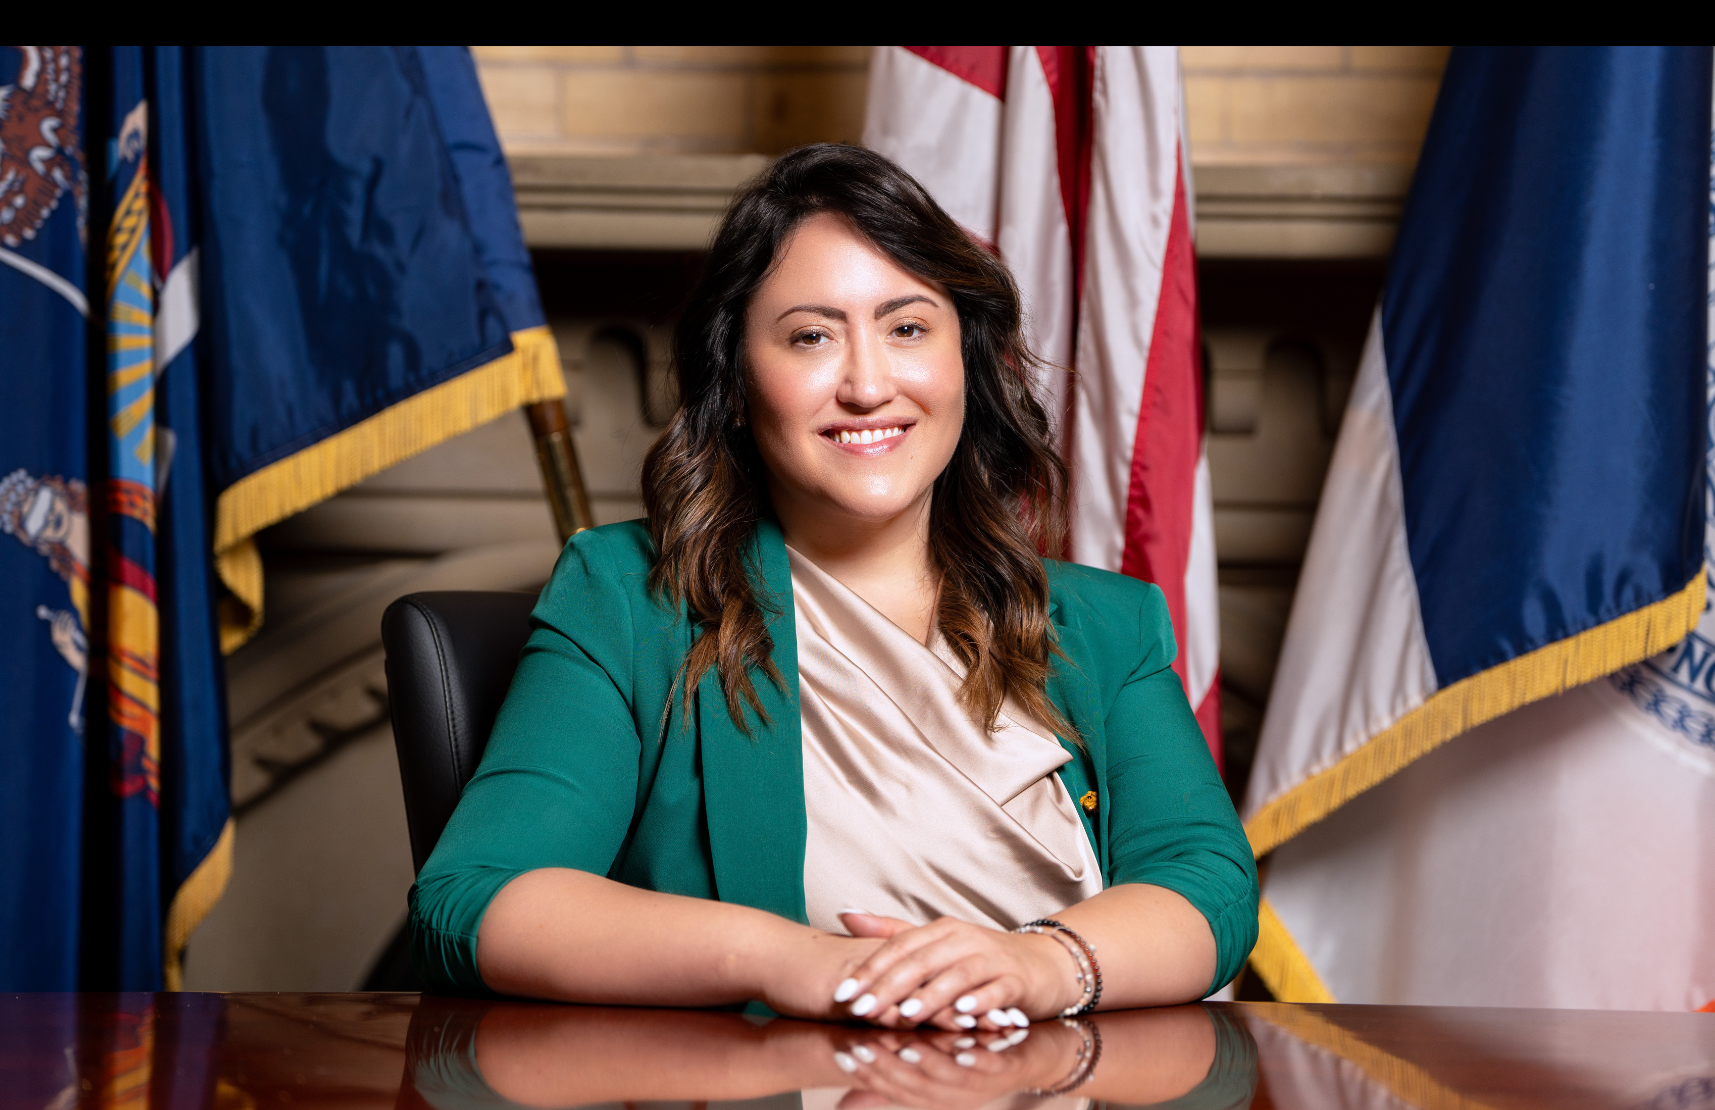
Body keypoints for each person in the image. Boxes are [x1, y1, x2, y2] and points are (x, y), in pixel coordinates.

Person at [410, 144, 1257, 1028]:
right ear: (736, 384)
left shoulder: (1107, 623)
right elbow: (471, 899)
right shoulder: (628, 596)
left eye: (907, 328)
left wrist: (1040, 963)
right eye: (811, 336)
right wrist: (793, 960)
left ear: (967, 361)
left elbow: (1208, 886)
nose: (867, 384)